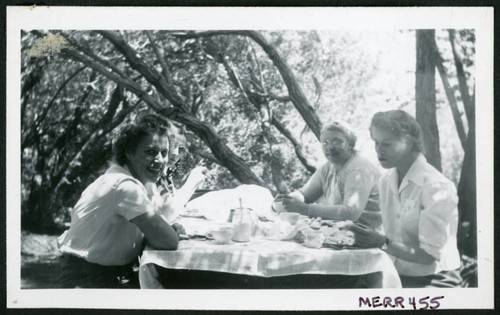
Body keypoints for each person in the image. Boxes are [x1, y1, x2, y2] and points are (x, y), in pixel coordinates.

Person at [57, 114, 208, 288]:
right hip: (87, 280)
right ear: (129, 152)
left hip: (105, 275)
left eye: (164, 153)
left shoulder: (128, 180)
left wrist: (161, 229)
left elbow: (153, 230)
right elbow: (169, 241)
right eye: (151, 152)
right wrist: (165, 231)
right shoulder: (124, 186)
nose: (160, 160)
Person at [349, 110, 462, 288]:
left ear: (409, 142)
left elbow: (429, 256)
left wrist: (380, 242)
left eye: (387, 144)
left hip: (435, 279)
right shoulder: (385, 181)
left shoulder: (436, 186)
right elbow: (391, 236)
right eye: (376, 143)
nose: (379, 150)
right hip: (395, 273)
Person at [273, 121, 382, 230]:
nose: (330, 147)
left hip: (368, 238)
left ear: (350, 144)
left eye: (337, 141)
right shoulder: (329, 167)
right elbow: (305, 194)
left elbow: (350, 213)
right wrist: (287, 201)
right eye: (325, 142)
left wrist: (305, 209)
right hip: (344, 233)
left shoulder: (357, 169)